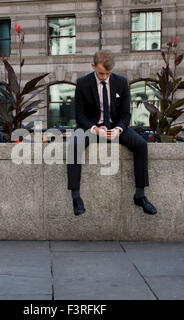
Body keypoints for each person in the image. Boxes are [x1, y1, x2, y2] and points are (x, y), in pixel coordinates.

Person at [67, 49, 157, 216]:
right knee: (74, 145)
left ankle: (140, 195)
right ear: (93, 66)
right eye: (101, 73)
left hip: (116, 127)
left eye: (108, 73)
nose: (104, 77)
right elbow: (80, 116)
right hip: (91, 127)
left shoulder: (121, 83)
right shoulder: (82, 83)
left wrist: (118, 129)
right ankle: (75, 196)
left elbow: (125, 114)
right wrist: (95, 129)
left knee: (141, 145)